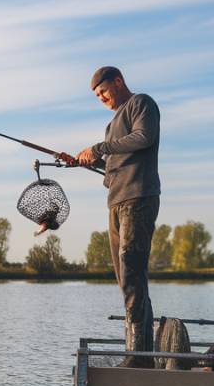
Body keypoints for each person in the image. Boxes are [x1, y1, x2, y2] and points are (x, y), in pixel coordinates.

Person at [66, 66, 161, 367]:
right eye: (96, 96)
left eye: (103, 90)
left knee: (132, 273)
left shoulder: (141, 104)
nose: (101, 97)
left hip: (138, 198)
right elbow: (114, 167)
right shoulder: (111, 125)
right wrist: (88, 162)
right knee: (125, 278)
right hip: (116, 201)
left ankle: (138, 358)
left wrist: (99, 148)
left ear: (118, 81)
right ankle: (140, 352)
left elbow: (143, 138)